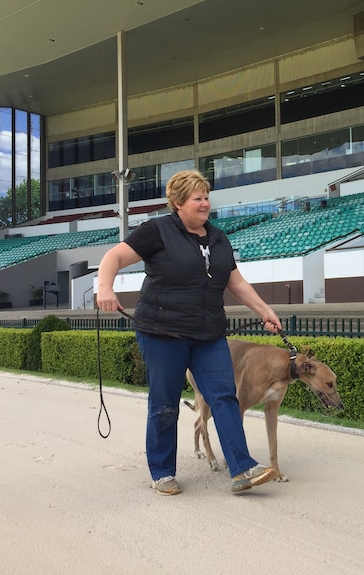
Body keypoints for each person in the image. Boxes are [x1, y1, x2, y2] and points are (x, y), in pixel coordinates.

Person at [96, 169, 281, 496]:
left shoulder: (218, 238)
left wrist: (265, 311)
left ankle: (242, 468)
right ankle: (163, 471)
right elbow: (115, 256)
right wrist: (105, 287)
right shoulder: (157, 231)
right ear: (178, 203)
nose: (205, 203)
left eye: (207, 197)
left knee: (224, 396)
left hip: (207, 335)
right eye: (198, 198)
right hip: (162, 332)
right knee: (165, 402)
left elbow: (235, 282)